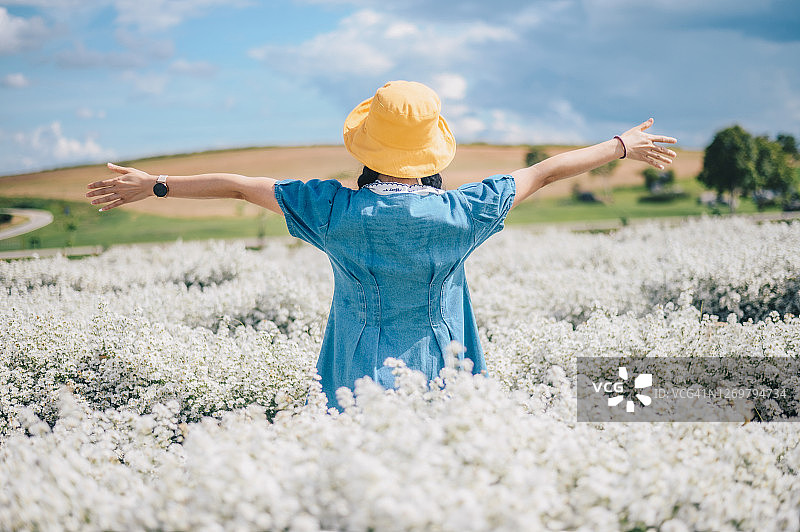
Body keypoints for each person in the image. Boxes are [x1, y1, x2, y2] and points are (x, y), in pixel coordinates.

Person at [86, 80, 677, 412]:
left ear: (367, 148)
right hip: (446, 369)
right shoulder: (462, 211)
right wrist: (619, 146)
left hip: (354, 373)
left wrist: (155, 185)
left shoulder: (333, 209)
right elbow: (546, 172)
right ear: (432, 152)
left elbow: (241, 187)